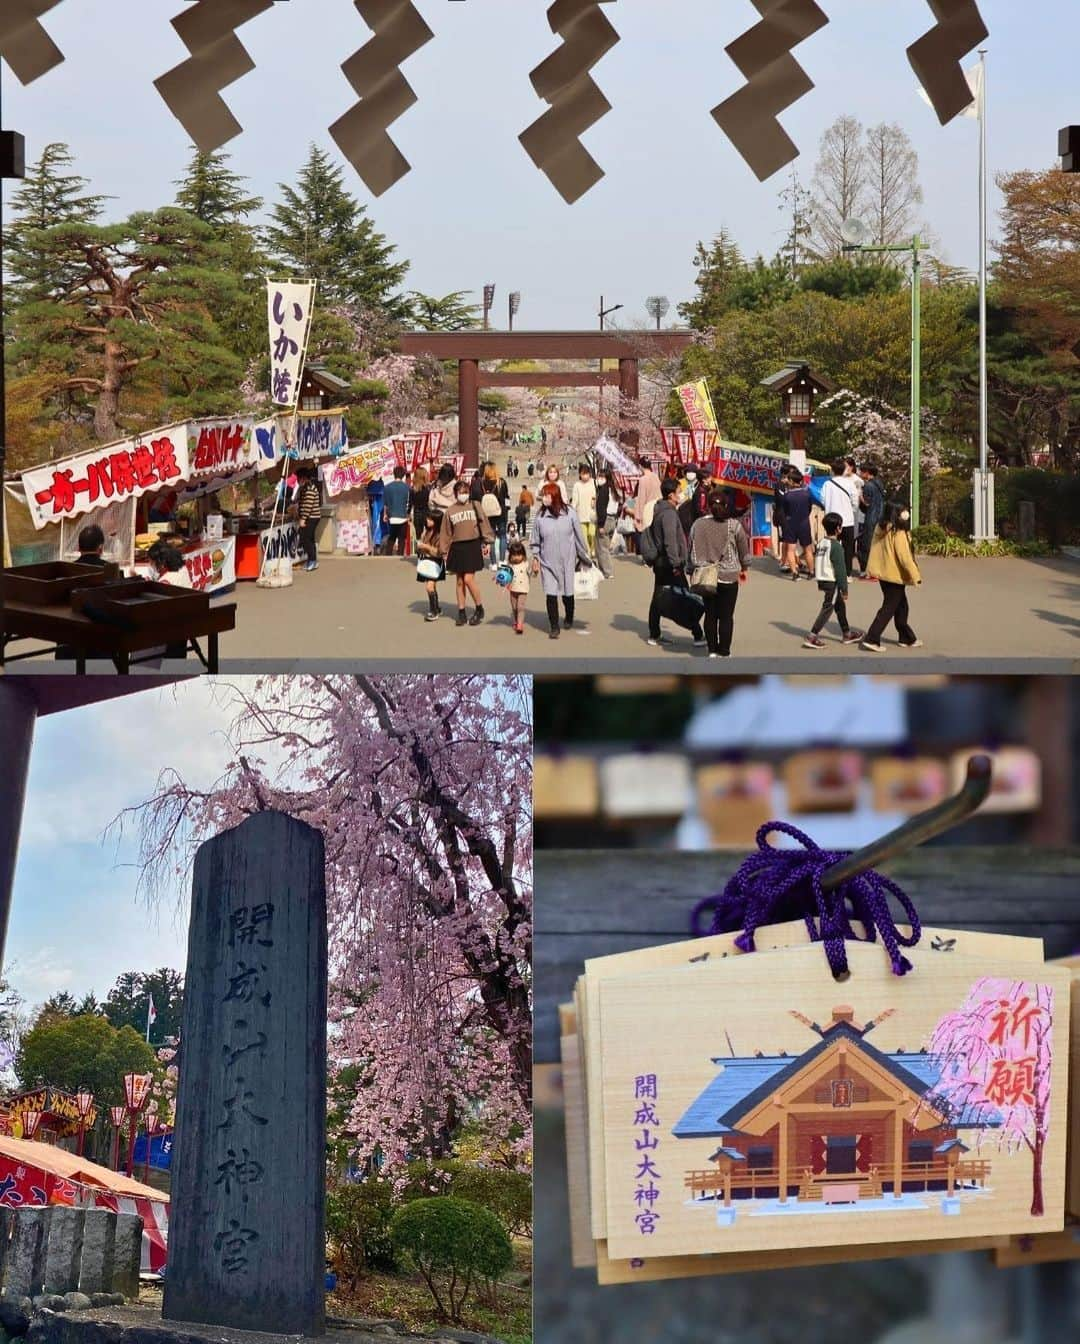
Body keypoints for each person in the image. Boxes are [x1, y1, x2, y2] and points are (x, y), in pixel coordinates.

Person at [688, 490, 751, 658]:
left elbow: (690, 549)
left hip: (705, 574)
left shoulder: (698, 524)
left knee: (710, 614)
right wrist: (745, 568)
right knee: (726, 616)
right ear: (726, 505)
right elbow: (744, 550)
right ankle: (724, 651)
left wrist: (690, 570)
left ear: (708, 506)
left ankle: (712, 650)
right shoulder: (734, 525)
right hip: (729, 575)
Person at [644, 477, 704, 648]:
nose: (681, 495)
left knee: (658, 598)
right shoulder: (669, 514)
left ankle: (654, 634)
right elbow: (670, 541)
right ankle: (698, 634)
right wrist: (676, 564)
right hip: (670, 564)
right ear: (671, 495)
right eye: (679, 492)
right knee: (685, 597)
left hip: (661, 563)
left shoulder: (661, 510)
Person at [530, 482, 592, 639]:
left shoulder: (569, 513)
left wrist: (584, 557)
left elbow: (578, 536)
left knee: (567, 594)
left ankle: (569, 616)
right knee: (551, 595)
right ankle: (554, 626)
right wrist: (536, 557)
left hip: (567, 561)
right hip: (547, 562)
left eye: (547, 495)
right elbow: (535, 540)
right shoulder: (540, 517)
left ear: (555, 496)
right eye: (543, 495)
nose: (544, 498)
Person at [860, 503, 923, 652]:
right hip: (894, 575)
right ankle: (872, 638)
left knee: (901, 606)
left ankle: (906, 637)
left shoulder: (881, 528)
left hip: (883, 573)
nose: (906, 514)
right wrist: (916, 576)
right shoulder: (898, 532)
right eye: (904, 512)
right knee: (889, 607)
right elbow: (904, 557)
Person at [802, 512, 864, 649]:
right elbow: (841, 571)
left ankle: (846, 633)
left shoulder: (821, 543)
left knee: (839, 606)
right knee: (828, 608)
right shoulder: (836, 547)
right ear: (838, 529)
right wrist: (844, 589)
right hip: (832, 581)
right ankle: (812, 635)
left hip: (822, 579)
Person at [439, 480, 493, 626]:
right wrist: (443, 551)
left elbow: (484, 523)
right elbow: (446, 532)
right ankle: (461, 612)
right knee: (459, 581)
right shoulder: (450, 511)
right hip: (457, 547)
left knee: (469, 579)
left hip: (472, 545)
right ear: (455, 494)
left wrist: (487, 541)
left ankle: (479, 607)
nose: (463, 495)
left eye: (465, 492)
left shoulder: (475, 506)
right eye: (460, 492)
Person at [822, 459, 859, 576]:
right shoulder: (850, 483)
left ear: (832, 471)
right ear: (844, 470)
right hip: (847, 520)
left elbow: (822, 499)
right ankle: (847, 573)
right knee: (848, 548)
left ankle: (832, 571)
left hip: (831, 520)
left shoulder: (827, 484)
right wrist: (850, 511)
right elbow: (855, 501)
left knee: (832, 546)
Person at [778, 466, 814, 580]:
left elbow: (784, 510)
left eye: (789, 479)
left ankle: (795, 573)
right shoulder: (806, 494)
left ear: (792, 482)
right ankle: (811, 572)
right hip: (804, 523)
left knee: (790, 549)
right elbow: (809, 508)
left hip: (791, 523)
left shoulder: (787, 496)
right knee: (808, 549)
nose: (787, 481)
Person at [472, 461, 510, 566]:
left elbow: (475, 497)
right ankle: (502, 560)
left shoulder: (480, 483)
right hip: (501, 513)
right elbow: (506, 497)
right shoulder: (501, 482)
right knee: (502, 536)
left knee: (491, 537)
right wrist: (507, 508)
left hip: (487, 513)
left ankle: (493, 563)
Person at [415, 511, 445, 622]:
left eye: (430, 519)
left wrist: (426, 546)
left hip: (435, 561)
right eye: (427, 518)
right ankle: (436, 607)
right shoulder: (426, 532)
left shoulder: (440, 535)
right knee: (431, 586)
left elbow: (439, 552)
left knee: (429, 587)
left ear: (436, 521)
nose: (427, 521)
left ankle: (434, 611)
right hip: (426, 561)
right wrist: (419, 547)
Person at [857, 462, 885, 579]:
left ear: (867, 473)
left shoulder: (868, 486)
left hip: (871, 518)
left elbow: (867, 503)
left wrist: (859, 496)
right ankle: (877, 570)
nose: (860, 473)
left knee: (866, 545)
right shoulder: (879, 483)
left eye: (862, 471)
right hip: (880, 516)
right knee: (877, 545)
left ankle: (868, 570)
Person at [594, 470, 620, 580]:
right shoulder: (613, 490)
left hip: (605, 520)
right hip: (612, 520)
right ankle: (604, 570)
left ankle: (607, 571)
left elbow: (601, 508)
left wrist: (600, 525)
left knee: (601, 547)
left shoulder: (604, 491)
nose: (599, 478)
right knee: (605, 546)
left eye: (601, 476)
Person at [296, 467, 322, 572]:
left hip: (312, 517)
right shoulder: (304, 487)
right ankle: (312, 560)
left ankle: (312, 560)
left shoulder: (310, 488)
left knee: (305, 538)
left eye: (299, 478)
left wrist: (303, 519)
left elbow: (308, 505)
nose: (298, 481)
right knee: (310, 539)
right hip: (310, 517)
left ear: (304, 478)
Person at [382, 465, 411, 556]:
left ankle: (388, 555)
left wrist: (385, 515)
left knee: (392, 537)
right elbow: (408, 503)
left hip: (392, 516)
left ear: (394, 474)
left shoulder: (387, 487)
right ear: (403, 475)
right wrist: (409, 516)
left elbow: (385, 503)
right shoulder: (407, 488)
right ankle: (400, 556)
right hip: (403, 516)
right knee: (402, 538)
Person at [570, 464, 598, 556]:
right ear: (580, 474)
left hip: (592, 514)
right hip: (580, 514)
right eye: (583, 473)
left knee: (592, 534)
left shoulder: (594, 483)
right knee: (584, 536)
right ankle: (588, 551)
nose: (585, 475)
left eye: (587, 473)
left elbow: (598, 495)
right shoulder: (577, 485)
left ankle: (593, 547)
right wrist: (572, 511)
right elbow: (575, 500)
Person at [632, 457, 662, 536]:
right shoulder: (656, 477)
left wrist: (638, 517)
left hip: (646, 511)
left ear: (640, 466)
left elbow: (641, 499)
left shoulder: (643, 479)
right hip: (656, 511)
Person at [506, 538, 530, 634]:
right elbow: (505, 575)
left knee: (520, 607)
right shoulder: (510, 565)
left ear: (523, 555)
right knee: (514, 607)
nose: (516, 557)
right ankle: (516, 621)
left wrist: (535, 570)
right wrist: (499, 578)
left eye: (519, 555)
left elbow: (532, 573)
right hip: (512, 589)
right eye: (514, 555)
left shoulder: (526, 564)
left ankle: (520, 624)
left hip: (523, 589)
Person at [409, 466, 430, 548]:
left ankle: (418, 552)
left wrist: (408, 515)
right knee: (427, 533)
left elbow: (410, 504)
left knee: (417, 534)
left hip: (416, 513)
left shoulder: (412, 490)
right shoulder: (428, 489)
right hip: (427, 513)